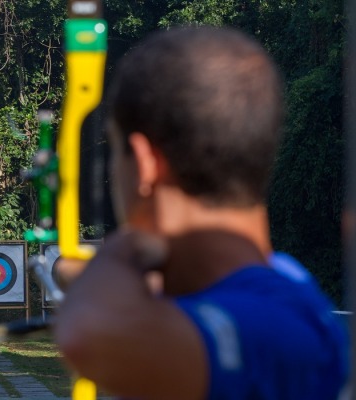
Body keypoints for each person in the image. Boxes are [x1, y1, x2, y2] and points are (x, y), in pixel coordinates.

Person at [53, 26, 350, 399]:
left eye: (115, 151)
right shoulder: (288, 277)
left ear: (145, 164)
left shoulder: (267, 328)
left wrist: (124, 250)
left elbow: (88, 335)